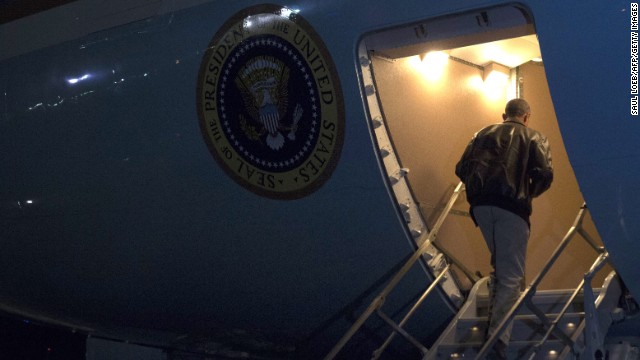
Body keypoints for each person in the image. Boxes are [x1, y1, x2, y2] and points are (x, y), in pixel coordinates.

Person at [455, 98, 553, 359]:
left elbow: (461, 168)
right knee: (512, 275)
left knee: (501, 267)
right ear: (526, 116)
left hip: (480, 205)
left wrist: (481, 189)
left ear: (504, 114)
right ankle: (497, 343)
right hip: (511, 206)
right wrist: (527, 192)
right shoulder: (533, 137)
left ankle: (494, 326)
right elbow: (544, 173)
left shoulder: (480, 134)